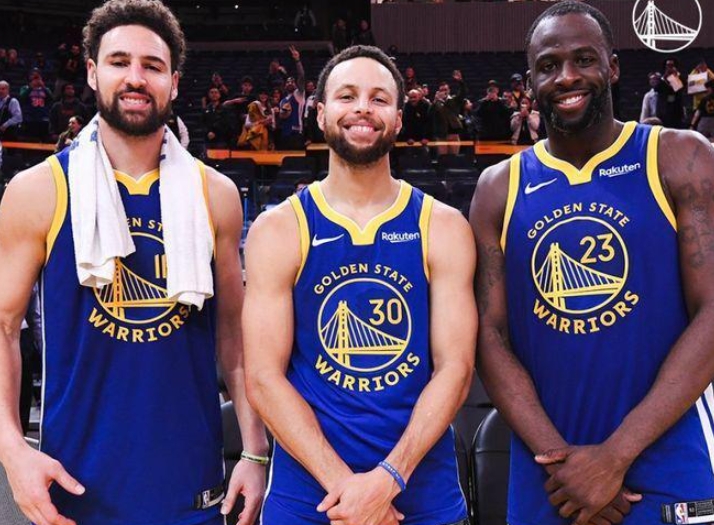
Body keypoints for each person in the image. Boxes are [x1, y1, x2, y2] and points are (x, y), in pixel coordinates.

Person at [0, 2, 267, 525]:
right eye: (119, 62)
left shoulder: (215, 195)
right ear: (92, 71)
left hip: (192, 485)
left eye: (153, 65)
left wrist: (255, 453)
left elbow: (235, 338)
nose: (136, 78)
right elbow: (5, 327)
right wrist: (11, 447)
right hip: (72, 488)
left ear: (174, 82)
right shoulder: (39, 191)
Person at [470, 3, 714, 525]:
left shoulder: (679, 156)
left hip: (667, 467)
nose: (566, 77)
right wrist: (565, 464)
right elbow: (489, 336)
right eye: (548, 65)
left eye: (583, 59)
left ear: (613, 66)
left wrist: (615, 457)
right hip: (550, 478)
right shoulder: (498, 188)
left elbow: (713, 312)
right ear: (530, 82)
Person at [243, 44, 477, 525]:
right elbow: (263, 378)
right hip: (309, 502)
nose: (363, 109)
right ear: (320, 113)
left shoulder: (444, 227)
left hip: (421, 498)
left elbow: (456, 368)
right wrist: (349, 491)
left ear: (399, 119)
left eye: (379, 98)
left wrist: (388, 478)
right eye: (347, 96)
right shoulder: (278, 229)